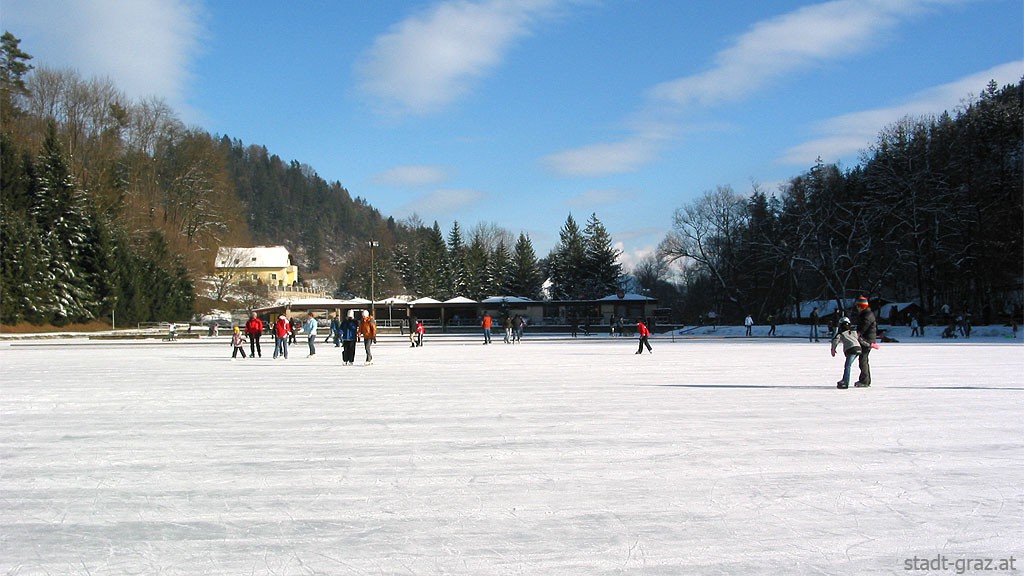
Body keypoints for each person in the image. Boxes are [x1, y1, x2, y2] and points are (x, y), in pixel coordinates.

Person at [830, 316, 861, 389]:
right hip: (858, 348)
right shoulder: (853, 331)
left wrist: (833, 349)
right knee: (848, 365)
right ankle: (844, 379)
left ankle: (845, 382)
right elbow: (858, 338)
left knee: (847, 366)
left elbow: (835, 340)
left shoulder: (841, 333)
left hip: (851, 349)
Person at [854, 296, 878, 387]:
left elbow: (864, 326)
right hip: (866, 339)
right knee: (863, 360)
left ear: (862, 306)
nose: (857, 308)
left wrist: (858, 333)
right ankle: (865, 379)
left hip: (867, 340)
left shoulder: (867, 315)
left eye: (858, 306)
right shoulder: (866, 314)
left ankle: (865, 381)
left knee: (863, 360)